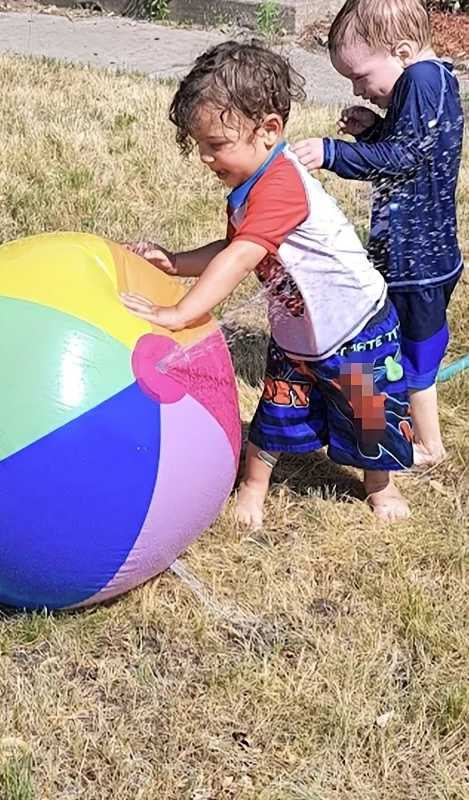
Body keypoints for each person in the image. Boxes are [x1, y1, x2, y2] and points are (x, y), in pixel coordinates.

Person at [120, 41, 414, 529]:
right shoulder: (246, 190)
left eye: (216, 145)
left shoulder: (280, 183)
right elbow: (231, 247)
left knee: (369, 414)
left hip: (355, 329)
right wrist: (176, 263)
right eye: (200, 147)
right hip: (297, 335)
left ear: (269, 129)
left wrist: (182, 314)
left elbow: (240, 258)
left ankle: (380, 486)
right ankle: (254, 485)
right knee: (277, 409)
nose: (205, 159)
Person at [292, 0, 464, 469]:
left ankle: (428, 444)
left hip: (416, 263)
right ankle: (392, 409)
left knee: (415, 354)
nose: (359, 89)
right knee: (411, 344)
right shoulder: (434, 78)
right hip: (426, 256)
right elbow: (413, 149)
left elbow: (404, 159)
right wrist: (374, 132)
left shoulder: (421, 79)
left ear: (403, 51)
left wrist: (334, 153)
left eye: (361, 76)